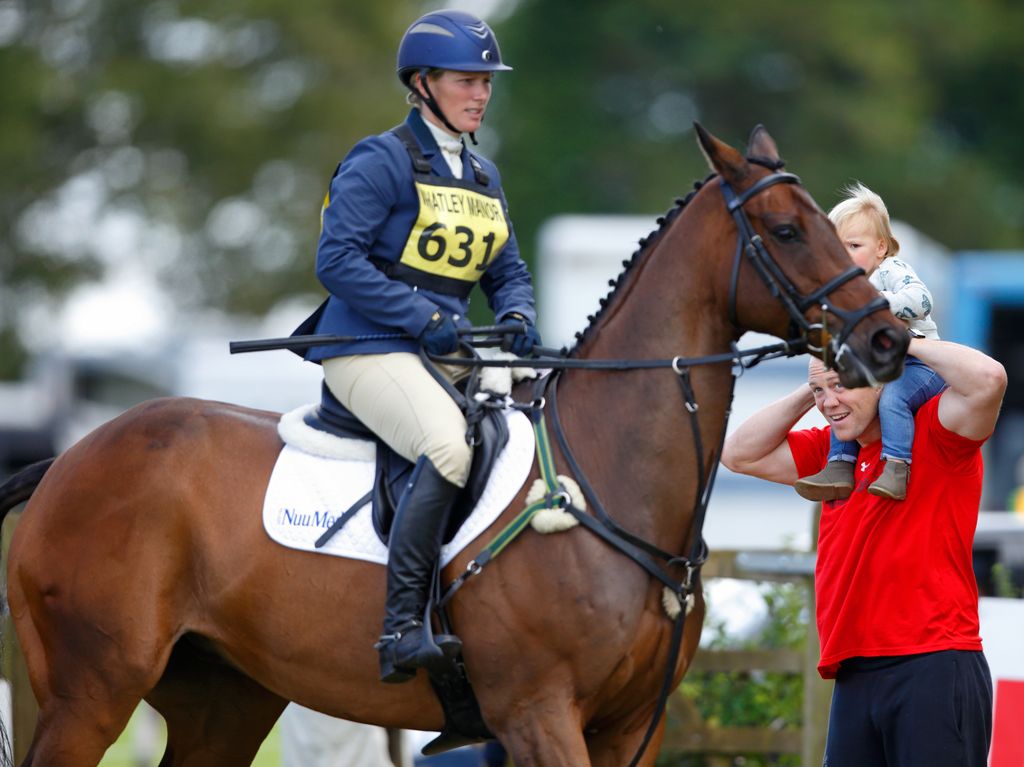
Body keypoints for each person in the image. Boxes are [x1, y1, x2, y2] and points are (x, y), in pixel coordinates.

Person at [292, 10, 540, 683]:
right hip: (365, 344)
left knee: (536, 427)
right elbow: (336, 260)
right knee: (447, 446)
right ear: (423, 83)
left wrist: (518, 311)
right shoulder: (383, 160)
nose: (481, 94)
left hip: (441, 349)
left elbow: (507, 271)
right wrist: (420, 312)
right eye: (467, 80)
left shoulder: (482, 176)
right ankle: (402, 626)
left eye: (486, 81)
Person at [721, 336, 1006, 766]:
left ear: (883, 381)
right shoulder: (831, 453)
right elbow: (737, 454)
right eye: (821, 391)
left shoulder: (937, 431)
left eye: (843, 386)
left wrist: (901, 341)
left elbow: (989, 378)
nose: (829, 403)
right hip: (853, 671)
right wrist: (816, 381)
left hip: (932, 664)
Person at [794, 183, 943, 502]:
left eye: (853, 245)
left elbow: (921, 301)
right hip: (875, 364)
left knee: (891, 398)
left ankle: (896, 466)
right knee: (844, 398)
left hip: (918, 365)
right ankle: (839, 465)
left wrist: (874, 302)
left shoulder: (890, 270)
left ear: (880, 248)